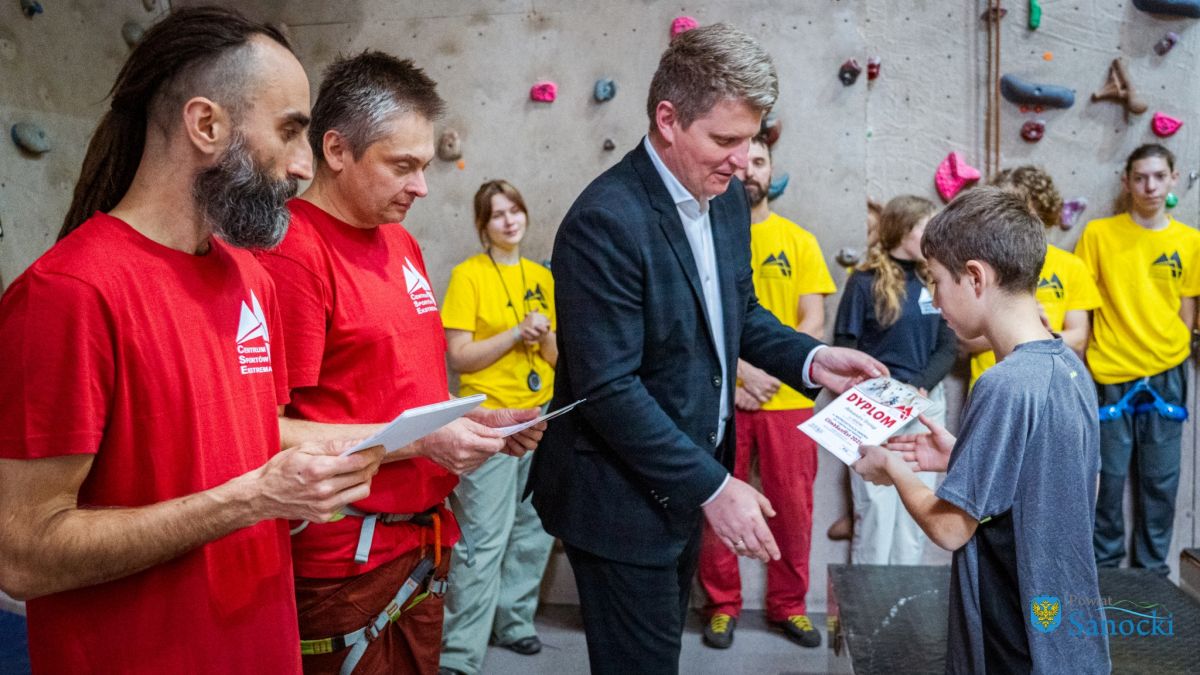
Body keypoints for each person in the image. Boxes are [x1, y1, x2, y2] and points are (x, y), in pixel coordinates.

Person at [0, 8, 387, 673]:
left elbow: (246, 437)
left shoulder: (250, 279)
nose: (304, 166)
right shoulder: (68, 293)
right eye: (289, 131)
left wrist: (400, 442)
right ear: (206, 125)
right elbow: (23, 555)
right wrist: (254, 498)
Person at [528, 24, 886, 674]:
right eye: (725, 140)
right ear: (667, 120)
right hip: (619, 496)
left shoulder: (724, 202)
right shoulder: (605, 221)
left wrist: (811, 359)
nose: (743, 161)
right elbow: (608, 389)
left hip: (682, 479)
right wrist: (715, 486)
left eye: (751, 140)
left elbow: (737, 313)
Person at [255, 52, 542, 675]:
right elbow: (262, 432)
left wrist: (471, 420)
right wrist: (425, 443)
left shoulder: (401, 240)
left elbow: (396, 393)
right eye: (402, 166)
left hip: (420, 546)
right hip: (345, 561)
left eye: (425, 166)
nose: (422, 187)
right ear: (336, 149)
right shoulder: (294, 254)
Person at [855, 186, 1111, 674]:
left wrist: (893, 468)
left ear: (975, 277)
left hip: (1012, 634)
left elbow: (950, 529)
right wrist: (964, 456)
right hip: (1064, 633)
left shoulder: (1001, 384)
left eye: (937, 282)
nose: (934, 300)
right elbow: (1071, 485)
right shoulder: (1070, 366)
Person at [696, 132, 836, 650]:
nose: (749, 170)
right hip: (722, 398)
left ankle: (789, 605)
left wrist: (769, 373)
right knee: (716, 501)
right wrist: (739, 377)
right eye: (742, 161)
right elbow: (697, 322)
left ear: (771, 170)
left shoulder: (799, 241)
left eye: (759, 161)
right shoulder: (706, 238)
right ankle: (721, 605)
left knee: (793, 510)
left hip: (789, 402)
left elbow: (813, 321)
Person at [437, 180, 558, 674]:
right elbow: (459, 356)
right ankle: (459, 651)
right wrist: (514, 333)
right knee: (483, 536)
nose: (509, 221)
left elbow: (557, 358)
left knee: (534, 530)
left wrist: (543, 337)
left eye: (515, 211)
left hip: (541, 413)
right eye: (498, 215)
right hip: (489, 419)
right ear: (483, 226)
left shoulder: (542, 277)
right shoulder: (468, 275)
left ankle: (515, 621)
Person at [1075, 143, 1200, 575]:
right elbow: (1082, 305)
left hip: (1167, 371)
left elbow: (1187, 308)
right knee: (1107, 481)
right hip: (1110, 370)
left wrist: (1173, 347)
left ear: (1173, 178)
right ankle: (1106, 573)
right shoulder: (1098, 235)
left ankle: (1153, 573)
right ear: (1126, 181)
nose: (1150, 186)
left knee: (1160, 481)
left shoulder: (1190, 241)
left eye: (1159, 177)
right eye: (1141, 177)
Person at [833, 195, 956, 566]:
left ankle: (904, 598)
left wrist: (918, 386)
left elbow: (947, 347)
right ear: (902, 230)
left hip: (924, 402)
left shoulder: (934, 280)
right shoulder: (863, 282)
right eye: (925, 228)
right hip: (875, 405)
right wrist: (877, 387)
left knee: (916, 511)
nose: (933, 238)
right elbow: (845, 344)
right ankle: (866, 602)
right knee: (875, 511)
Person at [966, 166, 1100, 387]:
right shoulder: (978, 266)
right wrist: (1023, 328)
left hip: (1048, 385)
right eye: (1003, 207)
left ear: (1040, 210)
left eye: (1018, 207)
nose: (1010, 217)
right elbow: (963, 342)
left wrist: (1032, 333)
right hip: (990, 385)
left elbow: (1078, 338)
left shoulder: (1070, 266)